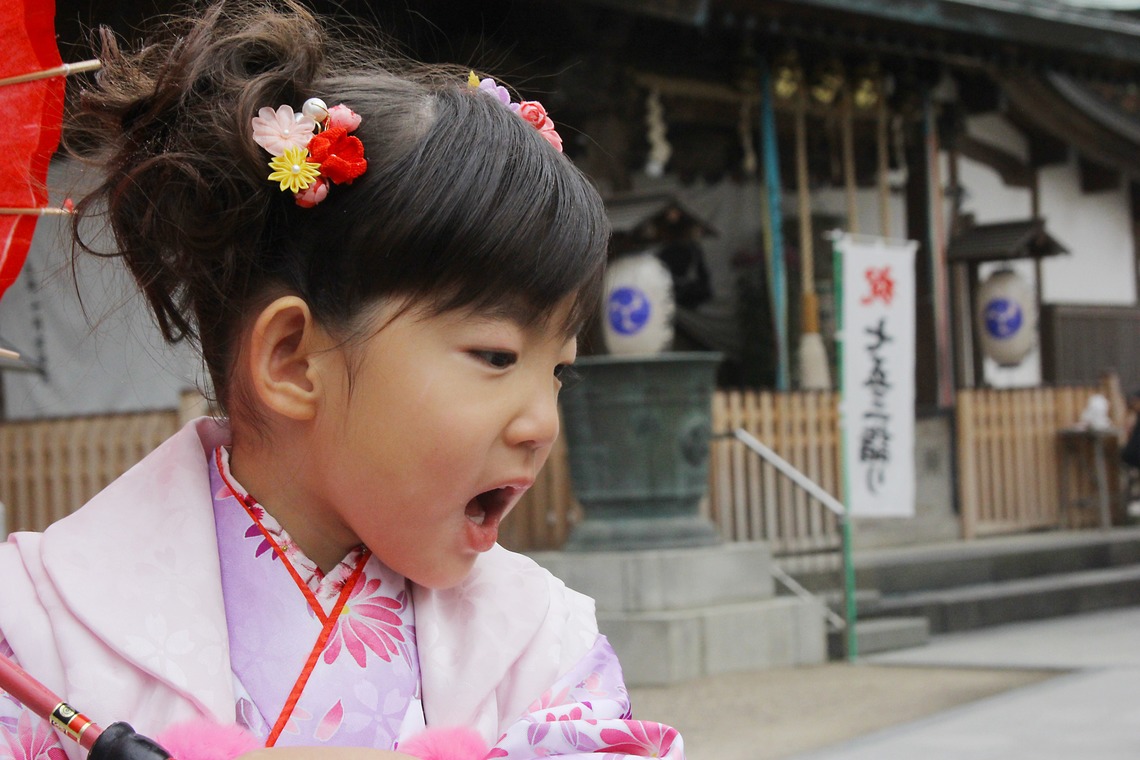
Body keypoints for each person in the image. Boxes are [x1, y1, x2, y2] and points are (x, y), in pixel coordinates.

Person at [0, 3, 684, 759]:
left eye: (559, 371)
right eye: (495, 356)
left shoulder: (542, 643)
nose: (541, 423)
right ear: (291, 359)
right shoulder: (40, 624)